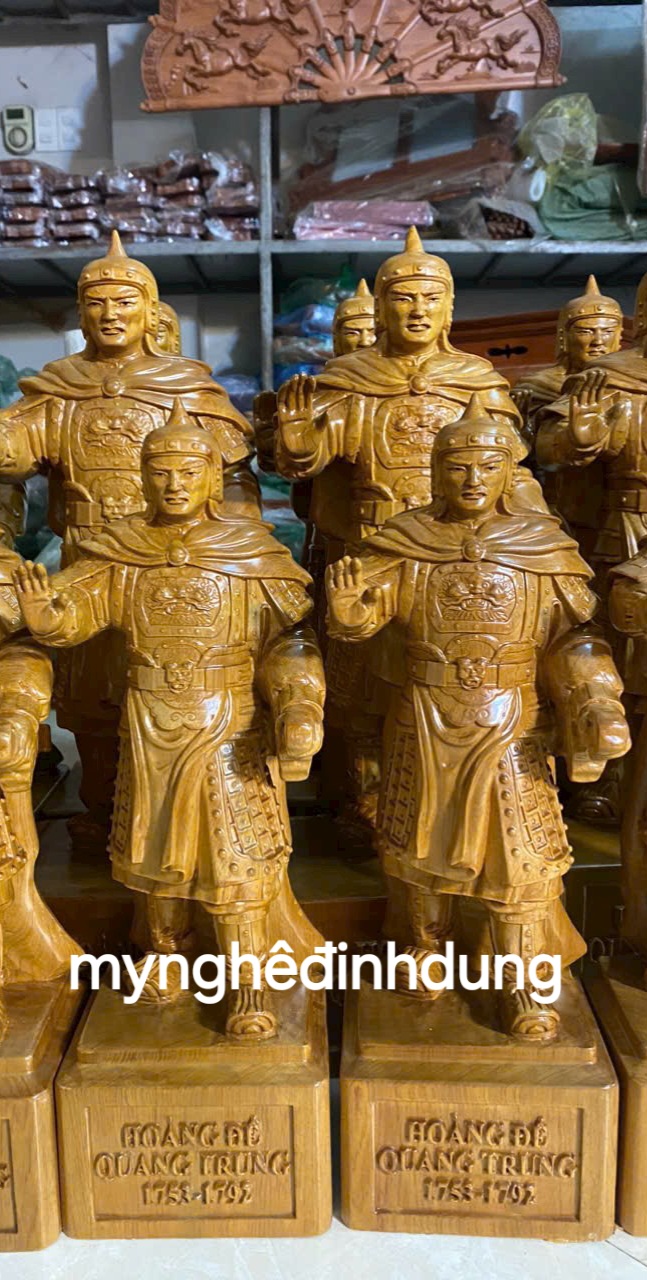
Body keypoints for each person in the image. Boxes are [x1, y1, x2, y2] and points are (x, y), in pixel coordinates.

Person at [14, 404, 325, 1041]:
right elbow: (79, 609)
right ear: (142, 478)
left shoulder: (249, 554)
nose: (174, 484)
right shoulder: (123, 550)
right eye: (160, 472)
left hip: (229, 723)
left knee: (234, 853)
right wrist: (49, 617)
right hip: (150, 721)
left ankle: (247, 974)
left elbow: (289, 640)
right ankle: (165, 953)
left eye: (188, 471)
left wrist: (298, 702)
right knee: (153, 846)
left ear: (213, 478)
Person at [326, 394, 629, 1041]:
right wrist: (350, 612)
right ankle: (423, 945)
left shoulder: (539, 547)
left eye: (486, 467)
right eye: (457, 467)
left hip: (510, 717)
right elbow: (366, 617)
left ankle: (521, 974)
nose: (471, 480)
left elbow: (573, 638)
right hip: (424, 713)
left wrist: (595, 698)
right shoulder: (407, 540)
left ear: (508, 474)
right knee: (416, 842)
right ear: (436, 472)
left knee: (519, 857)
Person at [0, 231, 259, 842]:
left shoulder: (186, 387)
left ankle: (184, 816)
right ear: (80, 313)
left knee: (177, 684)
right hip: (89, 558)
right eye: (96, 303)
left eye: (124, 302)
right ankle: (102, 808)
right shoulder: (60, 389)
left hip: (175, 561)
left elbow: (234, 473)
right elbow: (13, 454)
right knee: (94, 693)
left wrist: (240, 542)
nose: (110, 315)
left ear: (150, 310)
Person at [276, 225, 524, 839]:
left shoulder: (475, 379)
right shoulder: (352, 378)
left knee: (444, 675)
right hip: (370, 547)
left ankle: (442, 794)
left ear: (449, 308)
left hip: (455, 555)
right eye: (404, 298)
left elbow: (513, 472)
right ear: (382, 309)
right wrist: (299, 440)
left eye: (430, 298)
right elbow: (313, 455)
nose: (417, 310)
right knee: (362, 684)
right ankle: (364, 795)